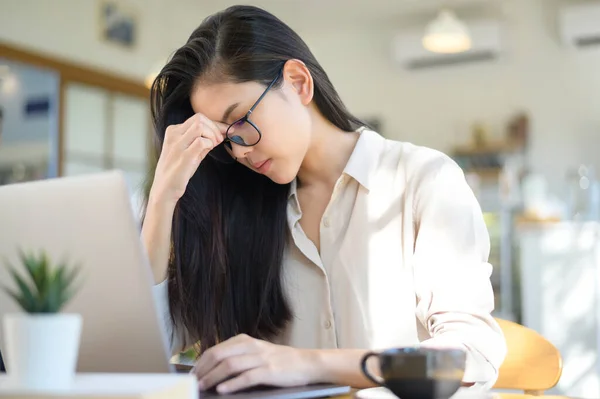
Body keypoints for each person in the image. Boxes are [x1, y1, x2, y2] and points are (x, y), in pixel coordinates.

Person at [142, 4, 506, 395]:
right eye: (225, 140)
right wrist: (164, 194)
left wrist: (307, 363)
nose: (239, 151)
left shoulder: (423, 180)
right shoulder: (237, 213)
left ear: (298, 83)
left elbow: (470, 357)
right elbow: (145, 345)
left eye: (241, 122)